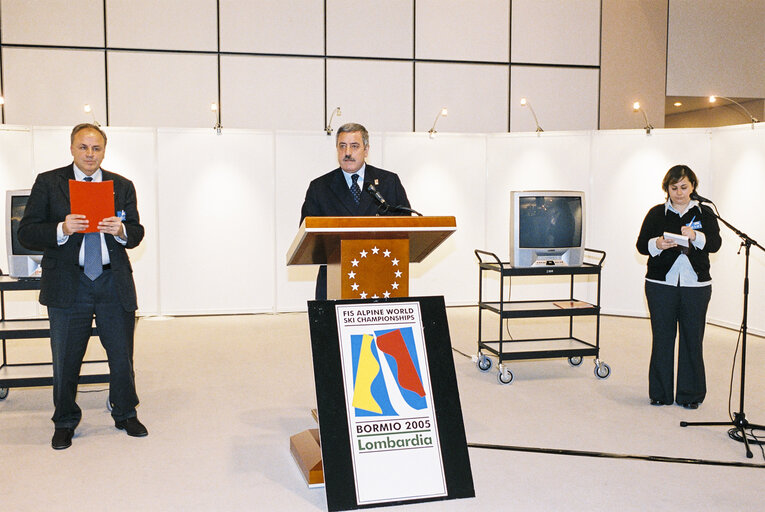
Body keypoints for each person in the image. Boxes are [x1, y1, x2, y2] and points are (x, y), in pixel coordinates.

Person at [18, 123, 147, 449]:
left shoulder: (122, 185)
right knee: (65, 357)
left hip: (111, 280)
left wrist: (121, 230)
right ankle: (64, 420)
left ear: (104, 151)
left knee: (121, 354)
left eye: (96, 148)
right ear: (72, 149)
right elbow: (28, 232)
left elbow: (136, 231)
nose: (90, 154)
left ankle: (125, 412)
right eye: (83, 147)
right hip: (67, 282)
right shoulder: (49, 182)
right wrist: (62, 227)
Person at [636, 164, 721, 409]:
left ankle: (690, 395)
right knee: (662, 337)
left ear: (693, 187)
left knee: (692, 339)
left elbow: (715, 244)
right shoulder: (656, 213)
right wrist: (657, 244)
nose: (679, 192)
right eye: (674, 187)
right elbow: (641, 245)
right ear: (667, 189)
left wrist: (696, 237)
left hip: (696, 285)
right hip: (660, 284)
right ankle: (660, 393)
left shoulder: (705, 213)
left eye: (684, 187)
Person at [300, 122, 412, 300]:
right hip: (335, 278)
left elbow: (406, 225)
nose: (348, 153)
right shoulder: (319, 187)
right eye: (342, 146)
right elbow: (308, 236)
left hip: (381, 275)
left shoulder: (389, 182)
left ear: (366, 150)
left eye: (354, 146)